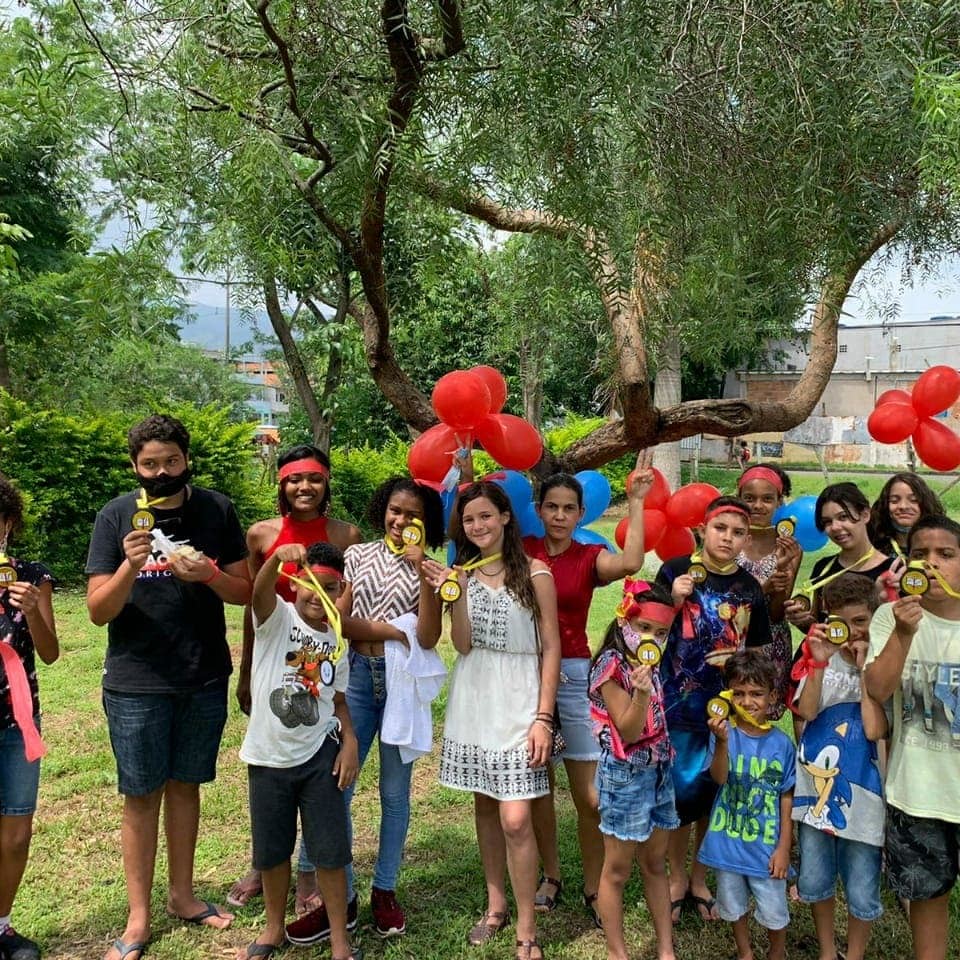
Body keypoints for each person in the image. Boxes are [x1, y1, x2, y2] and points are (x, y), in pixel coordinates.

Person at [86, 414, 251, 960]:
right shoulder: (116, 516)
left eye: (171, 461)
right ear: (136, 466)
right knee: (140, 796)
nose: (161, 472)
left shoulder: (215, 509)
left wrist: (207, 575)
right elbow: (96, 611)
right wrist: (130, 567)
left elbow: (244, 592)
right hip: (137, 680)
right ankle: (137, 919)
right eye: (150, 464)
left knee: (186, 787)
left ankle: (182, 896)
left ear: (186, 459)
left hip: (203, 673)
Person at [286, 476, 445, 943]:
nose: (402, 521)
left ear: (426, 523)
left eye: (413, 515)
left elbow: (431, 638)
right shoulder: (356, 557)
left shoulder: (433, 570)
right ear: (383, 511)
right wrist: (395, 631)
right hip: (354, 677)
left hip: (401, 684)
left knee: (395, 795)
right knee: (339, 787)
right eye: (395, 511)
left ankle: (385, 891)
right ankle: (346, 897)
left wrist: (425, 579)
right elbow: (337, 620)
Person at [423, 482, 560, 960]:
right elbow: (461, 644)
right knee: (485, 806)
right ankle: (495, 905)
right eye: (468, 520)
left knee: (517, 818)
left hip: (522, 700)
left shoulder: (537, 573)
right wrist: (455, 594)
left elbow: (551, 649)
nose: (477, 526)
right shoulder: (461, 574)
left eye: (485, 516)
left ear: (505, 517)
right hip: (476, 696)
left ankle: (527, 926)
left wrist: (543, 717)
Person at [230, 445, 361, 916]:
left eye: (315, 479)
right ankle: (264, 866)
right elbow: (254, 607)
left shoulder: (346, 535)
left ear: (327, 484)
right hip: (273, 662)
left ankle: (309, 868)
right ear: (281, 485)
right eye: (293, 480)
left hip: (323, 664)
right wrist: (246, 674)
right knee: (273, 772)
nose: (304, 487)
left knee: (318, 768)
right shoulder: (262, 534)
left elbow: (346, 607)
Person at [522, 457, 652, 927]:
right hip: (525, 674)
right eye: (552, 507)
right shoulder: (524, 550)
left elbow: (632, 561)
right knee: (536, 784)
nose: (559, 515)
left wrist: (635, 502)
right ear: (539, 510)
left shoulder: (587, 556)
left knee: (589, 796)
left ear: (581, 514)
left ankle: (595, 887)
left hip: (576, 676)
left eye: (568, 508)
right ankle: (550, 876)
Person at [239, 540, 359, 960]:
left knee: (329, 850)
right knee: (272, 851)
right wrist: (274, 560)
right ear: (296, 584)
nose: (318, 595)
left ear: (341, 591)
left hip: (319, 758)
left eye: (330, 586)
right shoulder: (277, 618)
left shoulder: (338, 641)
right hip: (268, 758)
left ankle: (341, 939)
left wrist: (351, 742)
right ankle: (273, 928)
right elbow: (258, 592)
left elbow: (339, 702)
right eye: (311, 584)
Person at [655, 496, 772, 924]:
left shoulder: (749, 588)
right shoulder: (675, 569)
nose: (728, 538)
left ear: (746, 539)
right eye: (720, 528)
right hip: (680, 703)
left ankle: (700, 876)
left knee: (716, 792)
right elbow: (647, 628)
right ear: (703, 529)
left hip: (730, 707)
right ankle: (674, 876)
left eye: (738, 532)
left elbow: (756, 649)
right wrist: (672, 597)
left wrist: (753, 700)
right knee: (681, 792)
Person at [865, 515, 960, 960]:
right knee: (927, 900)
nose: (932, 563)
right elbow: (878, 689)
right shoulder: (891, 616)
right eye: (921, 554)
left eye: (947, 554)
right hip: (917, 792)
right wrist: (904, 632)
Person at [791, 574, 886, 960]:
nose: (853, 633)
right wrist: (816, 664)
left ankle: (856, 951)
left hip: (866, 789)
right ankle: (828, 951)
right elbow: (808, 711)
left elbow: (876, 725)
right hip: (817, 791)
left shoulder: (884, 665)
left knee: (863, 878)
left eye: (862, 621)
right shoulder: (821, 662)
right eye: (843, 624)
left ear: (877, 617)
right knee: (815, 874)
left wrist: (865, 673)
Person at [589, 578, 680, 960]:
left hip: (659, 770)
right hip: (625, 776)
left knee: (656, 862)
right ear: (625, 622)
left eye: (661, 633)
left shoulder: (649, 662)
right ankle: (617, 952)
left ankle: (665, 949)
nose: (652, 639)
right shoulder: (611, 668)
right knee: (618, 869)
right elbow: (627, 729)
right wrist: (641, 693)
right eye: (644, 628)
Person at [698, 651, 795, 960]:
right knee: (732, 904)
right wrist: (723, 743)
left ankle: (776, 953)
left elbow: (786, 796)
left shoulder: (782, 745)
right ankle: (744, 951)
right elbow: (720, 778)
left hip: (766, 850)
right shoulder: (724, 734)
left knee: (774, 909)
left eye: (756, 694)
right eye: (738, 693)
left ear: (772, 697)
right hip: (728, 845)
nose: (747, 701)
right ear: (727, 695)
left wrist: (784, 847)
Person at [0, 473, 58, 960]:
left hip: (17, 724)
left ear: (9, 523)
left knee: (16, 834)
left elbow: (51, 652)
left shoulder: (32, 576)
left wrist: (35, 610)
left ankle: (2, 926)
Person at [736, 464, 802, 719]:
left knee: (757, 714)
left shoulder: (788, 547)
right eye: (749, 498)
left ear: (779, 502)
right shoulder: (729, 538)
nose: (758, 506)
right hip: (732, 635)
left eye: (767, 499)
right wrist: (762, 588)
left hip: (769, 643)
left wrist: (782, 577)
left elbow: (776, 614)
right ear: (739, 497)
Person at [784, 482, 893, 634]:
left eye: (843, 517)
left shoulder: (892, 571)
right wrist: (802, 621)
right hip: (824, 656)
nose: (835, 527)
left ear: (865, 515)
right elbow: (817, 626)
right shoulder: (823, 568)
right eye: (827, 522)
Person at [869, 472, 944, 557]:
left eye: (913, 500)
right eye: (894, 500)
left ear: (925, 504)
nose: (903, 506)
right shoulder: (873, 546)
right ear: (885, 505)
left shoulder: (943, 544)